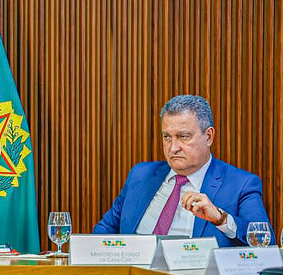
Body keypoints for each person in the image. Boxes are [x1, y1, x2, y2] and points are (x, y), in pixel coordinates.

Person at [94, 95, 272, 247]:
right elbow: (104, 231)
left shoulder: (240, 184)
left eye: (183, 137)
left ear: (209, 136)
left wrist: (220, 218)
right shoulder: (141, 175)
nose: (173, 148)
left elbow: (265, 243)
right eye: (167, 137)